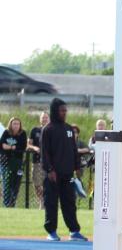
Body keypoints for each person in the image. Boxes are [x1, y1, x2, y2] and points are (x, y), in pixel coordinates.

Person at [40, 98, 86, 241]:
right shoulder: (47, 130)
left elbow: (74, 150)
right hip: (52, 175)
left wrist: (77, 166)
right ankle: (51, 232)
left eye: (66, 110)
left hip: (67, 173)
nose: (64, 113)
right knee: (51, 204)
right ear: (55, 111)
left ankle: (74, 231)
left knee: (69, 203)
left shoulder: (69, 129)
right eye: (62, 110)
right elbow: (44, 153)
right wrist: (49, 170)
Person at [1, 117, 27, 207]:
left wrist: (10, 147)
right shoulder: (6, 133)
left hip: (18, 162)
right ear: (10, 124)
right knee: (6, 183)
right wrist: (12, 147)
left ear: (20, 125)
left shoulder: (23, 134)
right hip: (6, 162)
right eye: (14, 123)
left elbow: (22, 146)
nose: (16, 125)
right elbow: (3, 145)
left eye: (17, 124)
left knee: (16, 184)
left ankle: (12, 204)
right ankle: (6, 204)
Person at [26, 111, 49, 207]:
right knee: (36, 183)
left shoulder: (52, 130)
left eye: (46, 117)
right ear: (40, 119)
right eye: (43, 117)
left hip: (49, 162)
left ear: (49, 119)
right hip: (37, 161)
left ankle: (45, 202)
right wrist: (35, 148)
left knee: (48, 183)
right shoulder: (34, 130)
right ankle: (41, 200)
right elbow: (28, 144)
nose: (44, 119)